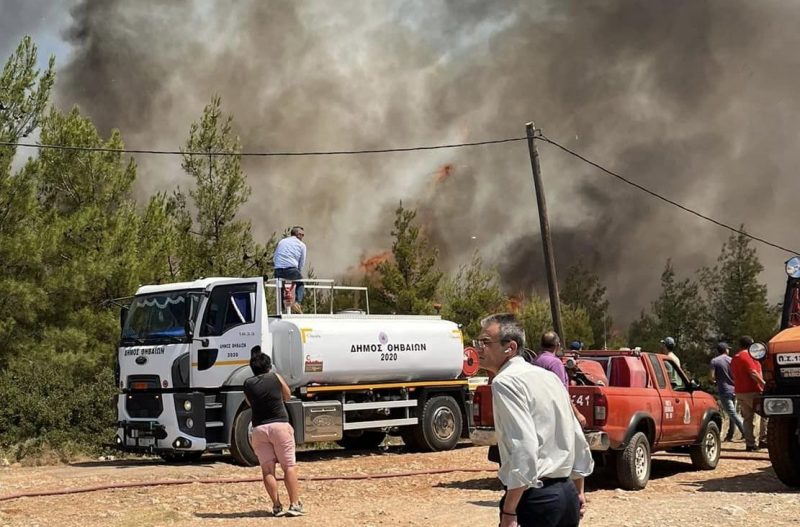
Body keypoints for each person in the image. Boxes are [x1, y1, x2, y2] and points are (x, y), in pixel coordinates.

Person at [476, 313, 593, 527]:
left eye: (485, 342)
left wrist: (510, 510)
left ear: (509, 347)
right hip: (566, 494)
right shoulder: (548, 377)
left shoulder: (505, 382)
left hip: (537, 499)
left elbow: (524, 446)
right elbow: (576, 435)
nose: (478, 348)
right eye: (478, 342)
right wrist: (579, 490)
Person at [244, 348, 304, 517]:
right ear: (268, 366)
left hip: (259, 429)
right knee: (289, 466)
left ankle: (276, 506)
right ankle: (294, 504)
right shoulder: (275, 377)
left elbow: (249, 403)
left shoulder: (248, 383)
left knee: (267, 470)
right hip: (279, 425)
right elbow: (287, 394)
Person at [535, 332, 587, 428]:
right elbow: (562, 392)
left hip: (538, 413)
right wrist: (577, 414)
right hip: (555, 414)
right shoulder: (555, 363)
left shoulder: (535, 361)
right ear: (557, 345)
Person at [731, 335, 768, 452]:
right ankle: (763, 439)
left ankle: (750, 444)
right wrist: (764, 384)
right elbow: (753, 373)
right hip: (753, 391)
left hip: (739, 391)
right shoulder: (747, 356)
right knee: (765, 414)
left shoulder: (735, 358)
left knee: (747, 419)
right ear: (751, 344)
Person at [709, 341, 744, 442]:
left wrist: (715, 381)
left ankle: (745, 432)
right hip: (735, 389)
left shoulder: (714, 361)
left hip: (724, 389)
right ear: (726, 350)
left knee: (732, 413)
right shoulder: (732, 360)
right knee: (733, 412)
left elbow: (711, 377)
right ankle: (730, 434)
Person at [273, 226, 306, 312]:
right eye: (302, 234)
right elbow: (301, 263)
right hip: (291, 269)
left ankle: (280, 307)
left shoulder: (282, 242)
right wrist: (298, 273)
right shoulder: (301, 245)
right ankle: (297, 303)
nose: (303, 237)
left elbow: (275, 257)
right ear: (297, 234)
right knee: (300, 283)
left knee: (280, 287)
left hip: (278, 270)